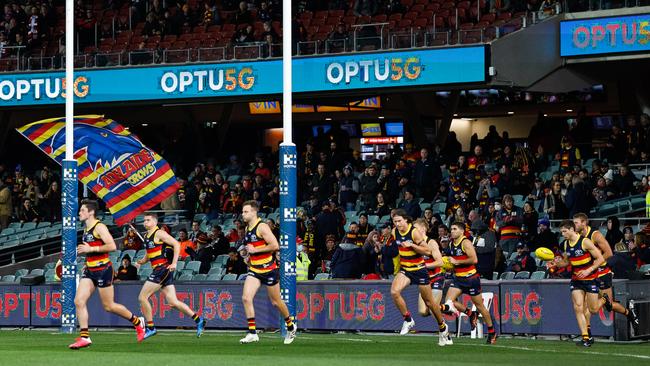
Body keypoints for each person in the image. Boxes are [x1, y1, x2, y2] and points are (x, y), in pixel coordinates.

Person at [68, 199, 144, 349]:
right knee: (78, 301)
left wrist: (91, 250)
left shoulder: (99, 226)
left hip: (103, 270)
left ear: (91, 212)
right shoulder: (86, 229)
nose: (79, 213)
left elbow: (112, 246)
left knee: (109, 306)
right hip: (90, 270)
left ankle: (137, 321)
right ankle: (85, 337)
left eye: (82, 210)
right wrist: (86, 262)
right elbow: (91, 249)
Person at [136, 212, 206, 340]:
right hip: (160, 270)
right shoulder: (147, 236)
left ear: (155, 222)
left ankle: (151, 327)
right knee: (173, 302)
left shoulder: (159, 233)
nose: (145, 222)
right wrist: (142, 261)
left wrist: (174, 263)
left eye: (148, 220)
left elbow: (176, 244)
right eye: (144, 220)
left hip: (162, 269)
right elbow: (149, 254)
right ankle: (199, 319)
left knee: (142, 297)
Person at [390, 209, 451, 346]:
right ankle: (408, 319)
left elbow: (427, 251)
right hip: (406, 269)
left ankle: (442, 327)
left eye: (399, 221)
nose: (397, 224)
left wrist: (411, 245)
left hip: (419, 270)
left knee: (429, 304)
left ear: (406, 220)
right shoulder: (395, 232)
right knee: (394, 292)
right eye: (395, 221)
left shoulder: (414, 233)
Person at [239, 200, 296, 344]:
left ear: (254, 212)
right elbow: (253, 248)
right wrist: (249, 257)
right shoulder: (247, 228)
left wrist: (255, 250)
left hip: (269, 269)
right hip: (255, 269)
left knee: (276, 302)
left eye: (246, 212)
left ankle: (290, 325)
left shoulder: (262, 227)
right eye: (243, 212)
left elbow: (275, 245)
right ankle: (252, 332)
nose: (243, 214)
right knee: (246, 298)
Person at [572, 213, 639, 335]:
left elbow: (608, 253)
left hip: (602, 272)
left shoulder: (595, 235)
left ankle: (629, 313)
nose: (574, 225)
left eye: (576, 222)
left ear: (584, 222)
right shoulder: (576, 237)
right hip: (589, 274)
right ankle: (587, 335)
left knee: (608, 306)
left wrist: (592, 267)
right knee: (585, 304)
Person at [549, 220, 606, 347]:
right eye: (561, 232)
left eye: (564, 231)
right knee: (578, 307)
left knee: (593, 309)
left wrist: (588, 270)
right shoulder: (565, 244)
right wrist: (556, 264)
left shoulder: (585, 241)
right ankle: (586, 337)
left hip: (590, 278)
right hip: (576, 280)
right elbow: (567, 262)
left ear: (572, 229)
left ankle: (604, 300)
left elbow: (601, 258)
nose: (562, 234)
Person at [442, 222, 497, 345]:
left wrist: (457, 262)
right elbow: (455, 262)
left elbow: (474, 259)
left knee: (480, 306)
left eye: (455, 229)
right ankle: (470, 314)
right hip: (458, 278)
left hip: (470, 278)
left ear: (462, 231)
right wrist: (449, 266)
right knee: (448, 303)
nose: (452, 231)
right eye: (451, 229)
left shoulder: (465, 242)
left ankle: (492, 332)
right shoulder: (451, 243)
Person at [413, 219, 446, 322]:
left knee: (433, 310)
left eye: (415, 229)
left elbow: (440, 262)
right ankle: (447, 307)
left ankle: (445, 331)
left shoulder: (431, 243)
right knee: (423, 312)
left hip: (436, 277)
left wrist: (424, 266)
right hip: (424, 280)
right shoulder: (415, 245)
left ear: (423, 229)